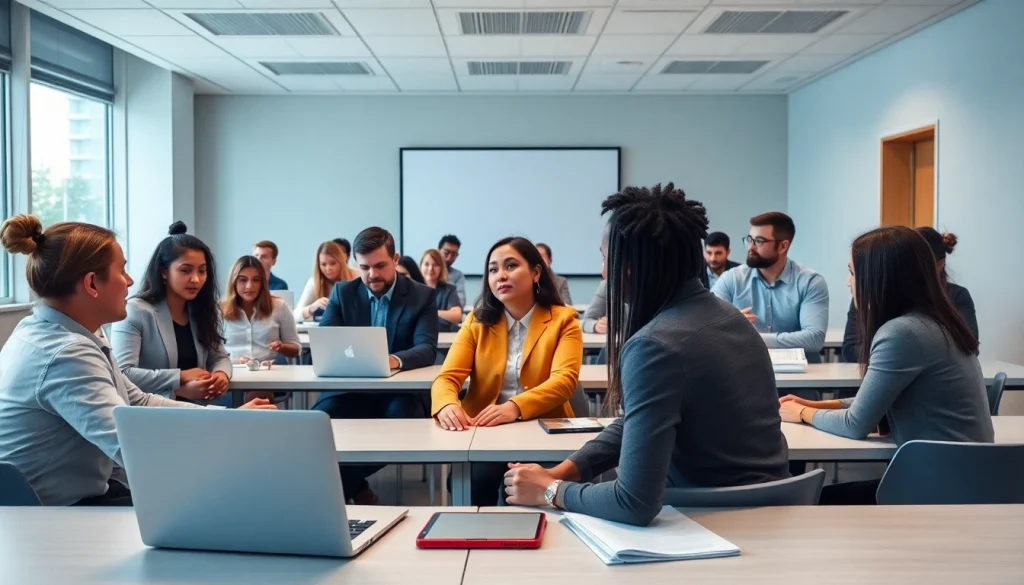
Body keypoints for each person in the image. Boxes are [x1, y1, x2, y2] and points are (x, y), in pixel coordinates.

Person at [502, 184, 789, 526]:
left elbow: (633, 502)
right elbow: (640, 418)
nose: (604, 272)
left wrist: (550, 492)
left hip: (704, 523)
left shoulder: (654, 346)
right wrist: (565, 471)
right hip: (770, 512)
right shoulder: (730, 318)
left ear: (630, 266)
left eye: (607, 258)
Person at [0, 216, 274, 506]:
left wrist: (232, 419)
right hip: (53, 515)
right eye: (122, 270)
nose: (130, 281)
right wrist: (232, 442)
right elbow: (131, 446)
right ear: (92, 283)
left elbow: (138, 401)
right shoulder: (65, 353)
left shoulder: (63, 330)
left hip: (79, 495)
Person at [779, 226, 993, 505]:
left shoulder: (903, 333)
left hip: (939, 488)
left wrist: (803, 412)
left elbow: (855, 424)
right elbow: (870, 403)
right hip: (968, 478)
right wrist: (817, 405)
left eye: (852, 273)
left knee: (807, 501)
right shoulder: (937, 322)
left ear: (879, 278)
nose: (848, 283)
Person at [432, 237, 582, 505]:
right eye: (493, 269)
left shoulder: (564, 320)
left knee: (531, 488)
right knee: (474, 483)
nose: (500, 275)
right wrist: (446, 405)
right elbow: (447, 378)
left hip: (543, 431)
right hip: (485, 432)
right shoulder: (476, 321)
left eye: (511, 266)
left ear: (536, 273)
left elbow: (564, 381)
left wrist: (514, 407)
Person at [312, 227, 439, 505]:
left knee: (402, 425)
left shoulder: (422, 296)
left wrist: (391, 359)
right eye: (364, 267)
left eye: (380, 265)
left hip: (400, 394)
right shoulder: (343, 293)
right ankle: (355, 487)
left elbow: (427, 349)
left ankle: (344, 485)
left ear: (395, 259)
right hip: (350, 391)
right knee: (315, 427)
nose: (372, 275)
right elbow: (325, 341)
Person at [111, 222, 232, 403]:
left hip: (199, 410)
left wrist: (221, 375)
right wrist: (180, 380)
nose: (196, 279)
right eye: (185, 270)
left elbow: (220, 356)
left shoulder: (203, 309)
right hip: (151, 413)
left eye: (202, 270)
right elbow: (123, 373)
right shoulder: (136, 310)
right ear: (164, 271)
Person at [841, 227, 978, 363]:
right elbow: (850, 348)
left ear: (939, 264)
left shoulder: (904, 329)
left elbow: (968, 346)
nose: (913, 270)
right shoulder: (880, 301)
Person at [711, 212, 829, 362]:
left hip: (800, 378)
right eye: (749, 239)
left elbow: (814, 339)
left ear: (782, 246)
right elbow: (708, 328)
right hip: (745, 372)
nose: (750, 247)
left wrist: (750, 337)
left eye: (759, 241)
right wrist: (730, 323)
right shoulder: (731, 279)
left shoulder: (810, 282)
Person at [221, 256, 301, 364]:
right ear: (233, 282)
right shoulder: (219, 310)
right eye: (243, 280)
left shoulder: (280, 307)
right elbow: (211, 352)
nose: (249, 286)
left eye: (256, 280)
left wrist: (281, 347)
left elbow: (295, 349)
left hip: (269, 371)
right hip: (233, 371)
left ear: (262, 283)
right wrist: (235, 362)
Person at [294, 240, 356, 323]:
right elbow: (294, 316)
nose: (328, 269)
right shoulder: (314, 282)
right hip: (324, 330)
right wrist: (311, 308)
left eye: (333, 263)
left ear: (341, 262)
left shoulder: (356, 276)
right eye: (323, 264)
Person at [420, 249, 462, 333]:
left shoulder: (449, 289)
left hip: (443, 336)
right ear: (420, 266)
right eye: (426, 264)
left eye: (435, 265)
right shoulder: (413, 288)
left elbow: (457, 315)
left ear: (441, 268)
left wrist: (432, 311)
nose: (430, 268)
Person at [439, 234, 467, 307]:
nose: (449, 258)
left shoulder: (458, 276)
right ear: (438, 251)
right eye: (446, 253)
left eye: (454, 254)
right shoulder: (425, 270)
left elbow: (460, 303)